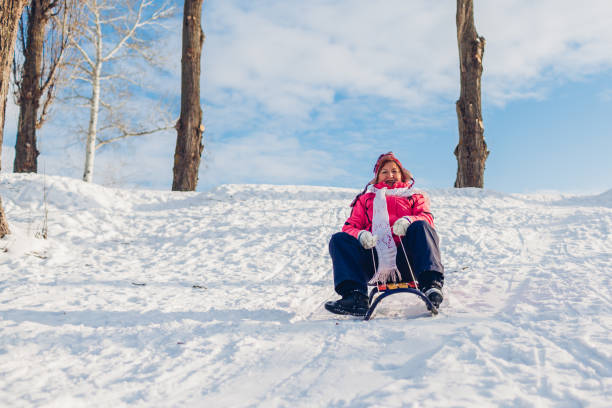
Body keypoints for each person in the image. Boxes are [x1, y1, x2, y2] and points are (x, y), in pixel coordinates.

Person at [325, 152, 445, 316]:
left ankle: (431, 285)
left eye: (394, 171)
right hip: (375, 263)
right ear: (377, 176)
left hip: (409, 261)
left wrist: (409, 221)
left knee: (421, 226)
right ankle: (355, 296)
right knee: (339, 239)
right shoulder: (365, 199)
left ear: (401, 174)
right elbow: (350, 226)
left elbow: (427, 217)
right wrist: (360, 235)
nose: (390, 175)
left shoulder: (415, 196)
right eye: (385, 172)